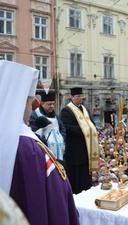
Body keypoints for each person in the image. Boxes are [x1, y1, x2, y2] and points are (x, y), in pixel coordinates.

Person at [0, 60, 80, 225]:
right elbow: (37, 201)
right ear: (19, 105)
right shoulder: (27, 148)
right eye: (30, 103)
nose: (31, 109)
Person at [60, 87, 99, 194]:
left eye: (81, 96)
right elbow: (66, 127)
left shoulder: (84, 109)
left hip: (86, 150)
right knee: (76, 178)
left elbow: (91, 124)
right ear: (71, 97)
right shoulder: (66, 110)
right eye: (78, 96)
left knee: (86, 176)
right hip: (75, 151)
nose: (80, 98)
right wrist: (84, 130)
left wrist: (91, 129)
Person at [29, 92, 66, 160]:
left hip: (59, 149)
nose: (52, 106)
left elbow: (62, 129)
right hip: (44, 148)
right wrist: (45, 141)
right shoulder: (35, 115)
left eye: (53, 104)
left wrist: (61, 138)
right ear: (42, 104)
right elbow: (34, 131)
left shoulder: (56, 116)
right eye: (49, 104)